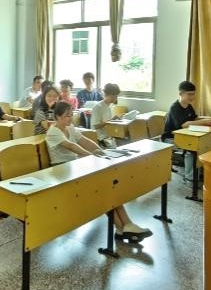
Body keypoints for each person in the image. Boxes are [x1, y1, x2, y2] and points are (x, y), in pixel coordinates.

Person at [46, 101, 151, 236]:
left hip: (73, 166)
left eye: (71, 115)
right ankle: (122, 227)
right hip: (61, 170)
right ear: (58, 116)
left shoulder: (70, 127)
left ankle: (125, 226)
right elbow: (72, 146)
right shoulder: (53, 132)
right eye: (67, 115)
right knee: (102, 190)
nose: (70, 118)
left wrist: (101, 151)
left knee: (106, 189)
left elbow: (84, 141)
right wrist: (91, 156)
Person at [162, 81, 211, 182]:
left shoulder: (189, 106)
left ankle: (197, 173)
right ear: (181, 94)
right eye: (189, 94)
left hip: (186, 137)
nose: (192, 97)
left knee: (203, 145)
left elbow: (194, 118)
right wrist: (204, 122)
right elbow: (184, 125)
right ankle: (189, 179)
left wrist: (209, 118)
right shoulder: (175, 107)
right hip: (170, 139)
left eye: (193, 94)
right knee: (191, 150)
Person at [91, 83, 123, 148]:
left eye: (116, 96)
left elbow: (109, 122)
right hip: (101, 139)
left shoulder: (110, 106)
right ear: (106, 95)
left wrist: (118, 119)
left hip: (109, 136)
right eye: (113, 96)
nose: (115, 98)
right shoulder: (98, 107)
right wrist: (111, 120)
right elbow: (96, 126)